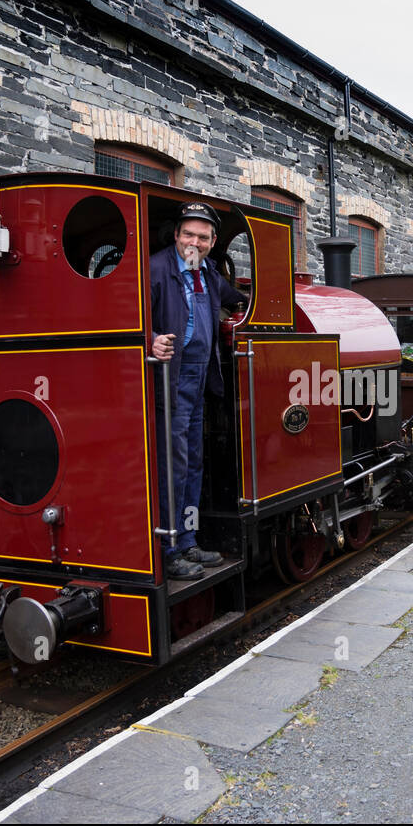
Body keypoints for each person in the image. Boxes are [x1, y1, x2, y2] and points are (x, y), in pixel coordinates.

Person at [150, 202, 246, 580]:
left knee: (193, 464)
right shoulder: (156, 269)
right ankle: (168, 547)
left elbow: (233, 299)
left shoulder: (207, 272)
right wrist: (151, 340)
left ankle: (188, 539)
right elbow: (126, 315)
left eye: (202, 237)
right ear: (176, 235)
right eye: (188, 234)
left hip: (198, 381)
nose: (194, 242)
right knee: (171, 467)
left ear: (212, 241)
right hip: (166, 382)